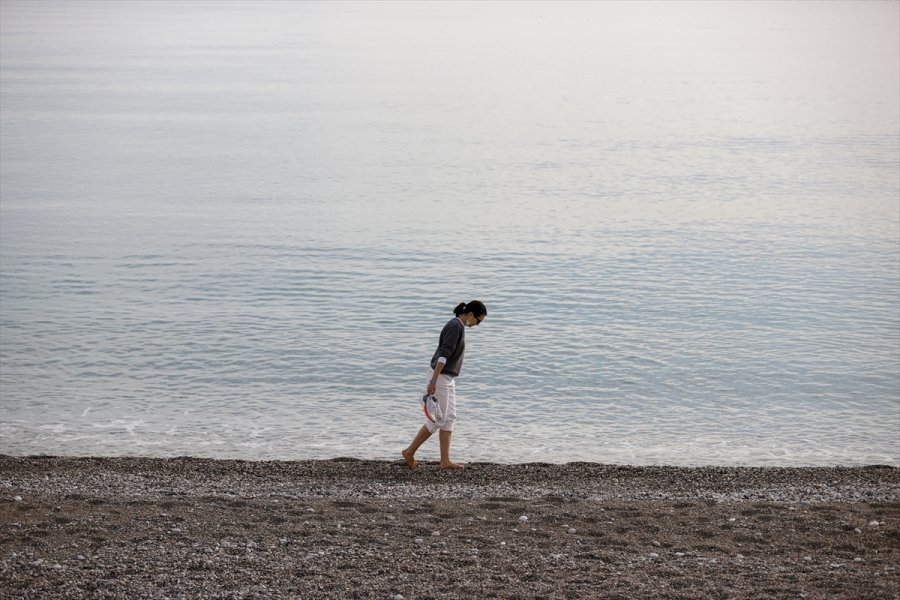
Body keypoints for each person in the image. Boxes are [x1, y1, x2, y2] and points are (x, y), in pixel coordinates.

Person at [402, 300, 487, 470]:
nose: (478, 324)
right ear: (470, 315)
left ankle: (445, 461)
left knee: (450, 418)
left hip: (448, 378)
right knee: (438, 420)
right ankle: (409, 451)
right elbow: (443, 355)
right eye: (479, 320)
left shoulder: (459, 326)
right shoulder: (455, 326)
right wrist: (433, 380)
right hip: (440, 377)